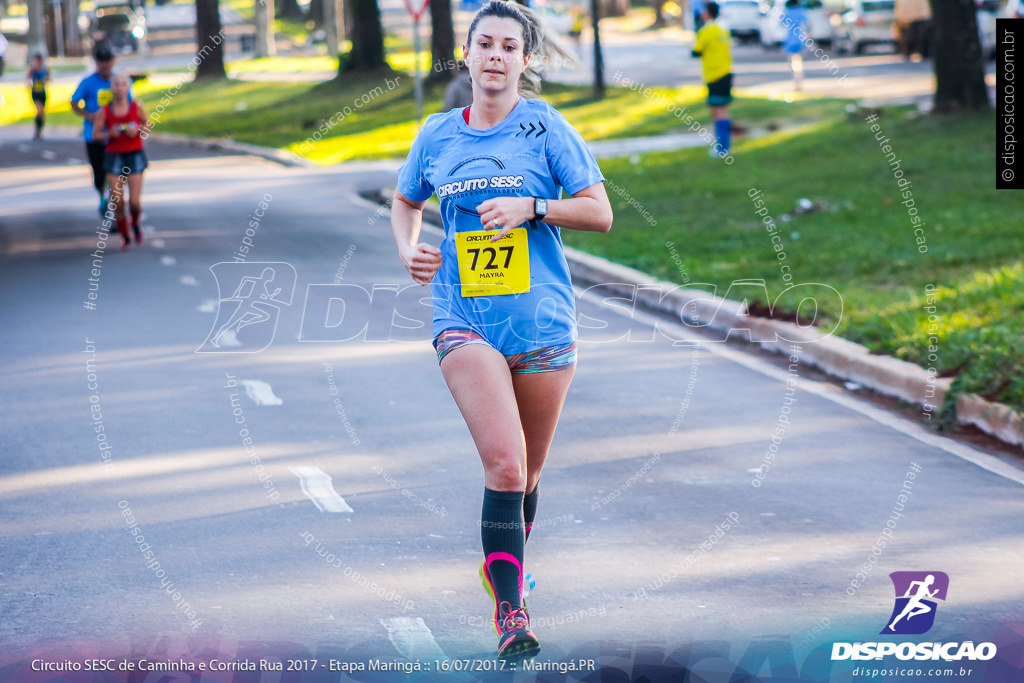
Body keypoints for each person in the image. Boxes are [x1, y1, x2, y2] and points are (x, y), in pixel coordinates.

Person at [391, 0, 612, 662]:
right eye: (483, 43)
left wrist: (533, 205)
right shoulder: (437, 134)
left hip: (543, 324)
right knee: (506, 462)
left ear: (524, 59)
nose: (494, 55)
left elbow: (599, 213)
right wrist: (410, 251)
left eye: (507, 47)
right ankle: (512, 610)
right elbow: (405, 202)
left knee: (530, 471)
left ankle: (504, 563)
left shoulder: (547, 131)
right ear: (468, 53)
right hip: (466, 321)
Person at [71, 46, 131, 218]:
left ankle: (114, 205)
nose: (104, 65)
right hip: (94, 136)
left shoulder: (118, 82)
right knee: (99, 172)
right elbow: (74, 102)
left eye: (107, 61)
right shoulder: (88, 82)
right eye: (101, 62)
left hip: (116, 136)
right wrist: (88, 115)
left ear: (113, 62)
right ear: (96, 63)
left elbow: (130, 103)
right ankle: (104, 195)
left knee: (118, 172)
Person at [94, 73, 149, 249]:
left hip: (134, 154)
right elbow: (95, 136)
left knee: (134, 202)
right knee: (117, 201)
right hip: (114, 157)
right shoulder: (104, 111)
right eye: (116, 84)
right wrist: (108, 134)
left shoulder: (136, 106)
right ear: (111, 87)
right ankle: (125, 235)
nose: (119, 87)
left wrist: (139, 130)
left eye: (123, 84)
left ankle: (135, 223)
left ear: (128, 87)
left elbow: (147, 125)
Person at [692, 1, 732, 156]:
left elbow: (696, 51)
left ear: (707, 13)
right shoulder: (723, 30)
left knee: (718, 111)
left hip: (714, 76)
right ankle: (723, 145)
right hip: (726, 73)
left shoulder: (706, 31)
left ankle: (723, 148)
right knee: (722, 111)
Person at [782, 0, 807, 91]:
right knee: (798, 59)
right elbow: (806, 24)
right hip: (800, 39)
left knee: (791, 60)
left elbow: (782, 24)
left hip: (790, 40)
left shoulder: (787, 13)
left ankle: (796, 78)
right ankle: (799, 77)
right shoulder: (801, 12)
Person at [27, 54, 50, 140]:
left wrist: (44, 80)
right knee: (39, 110)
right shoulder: (32, 70)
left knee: (42, 113)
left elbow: (48, 78)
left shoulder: (45, 69)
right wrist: (30, 82)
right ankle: (37, 130)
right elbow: (28, 79)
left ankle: (39, 131)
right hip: (35, 93)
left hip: (42, 92)